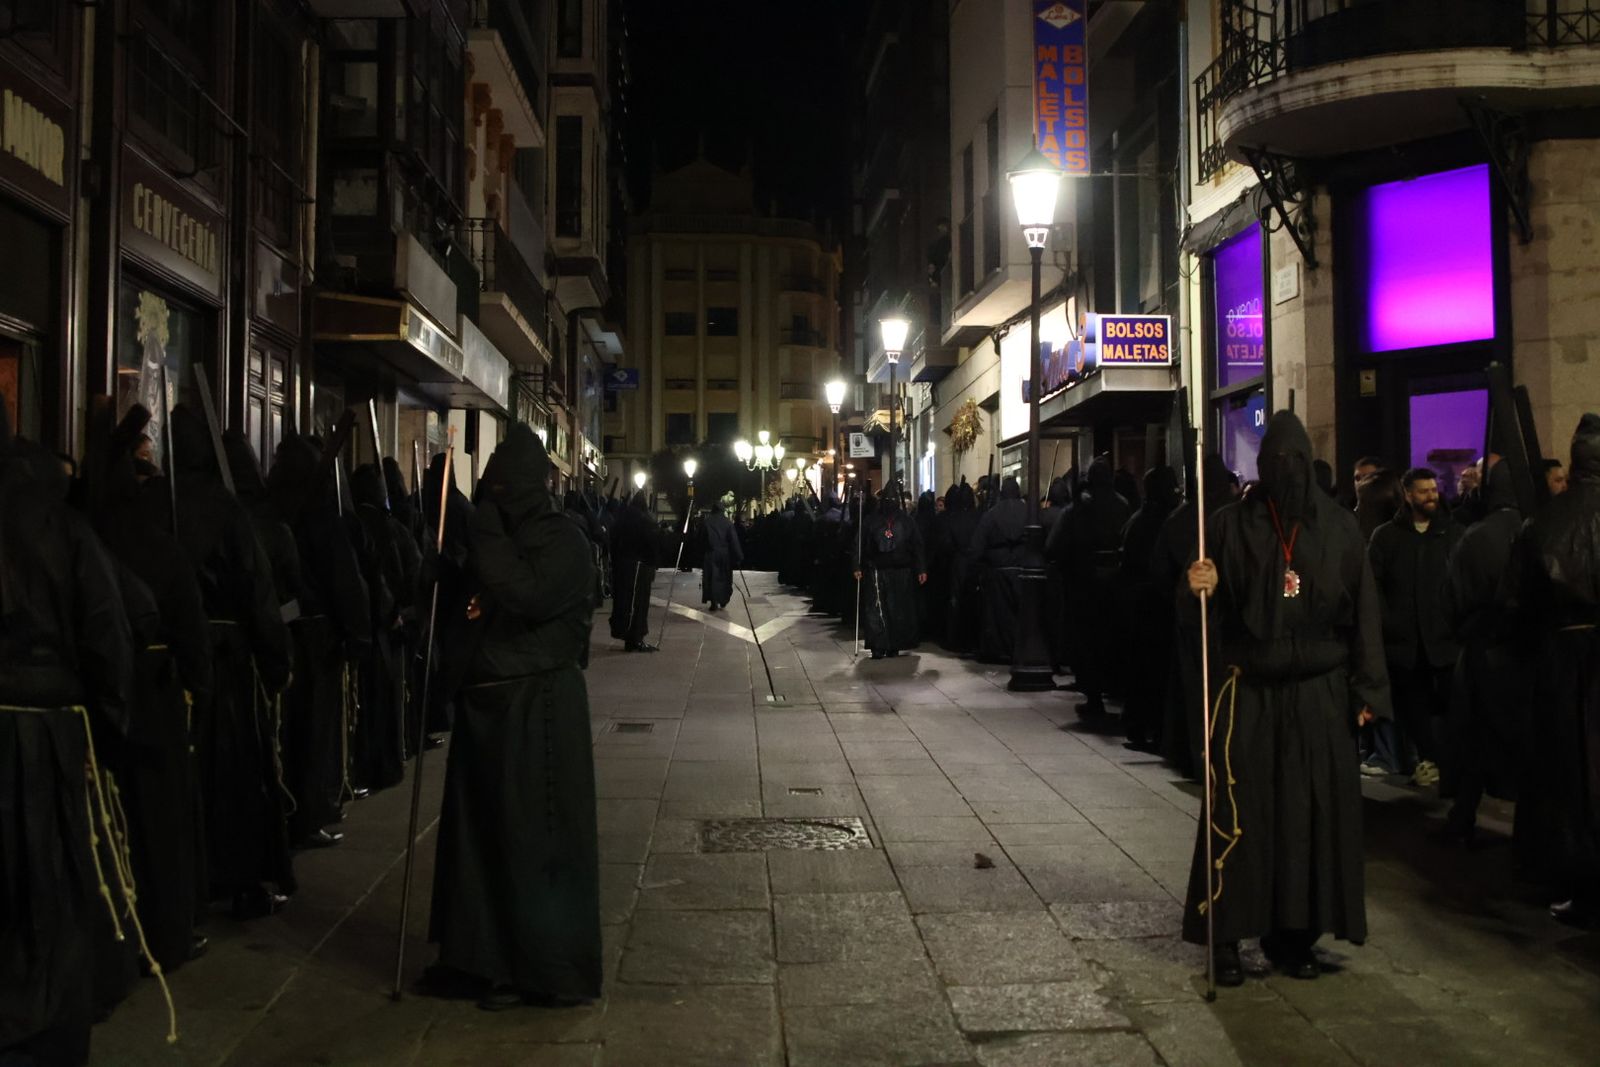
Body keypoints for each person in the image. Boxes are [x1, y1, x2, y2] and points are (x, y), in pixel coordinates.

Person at [1184, 412, 1391, 986]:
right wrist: (1198, 586)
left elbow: (1364, 613)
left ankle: (1294, 936)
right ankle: (1224, 934)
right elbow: (1204, 618)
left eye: (1296, 462)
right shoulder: (1228, 526)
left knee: (1308, 819)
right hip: (1250, 689)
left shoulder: (1342, 530)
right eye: (1277, 462)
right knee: (1240, 814)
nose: (1287, 472)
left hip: (1320, 693)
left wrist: (1368, 689)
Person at [428, 424, 601, 1010]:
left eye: (503, 483)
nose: (493, 493)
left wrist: (480, 528)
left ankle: (540, 969)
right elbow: (479, 597)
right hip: (487, 704)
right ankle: (475, 958)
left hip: (537, 711)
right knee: (476, 840)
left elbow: (524, 594)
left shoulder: (563, 541)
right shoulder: (497, 533)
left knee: (533, 839)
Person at [0, 408, 136, 1065]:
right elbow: (107, 632)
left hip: (41, 729)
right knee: (50, 899)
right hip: (46, 741)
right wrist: (108, 740)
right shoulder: (63, 525)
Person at [168, 406, 294, 919]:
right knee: (236, 779)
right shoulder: (225, 510)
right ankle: (238, 878)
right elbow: (257, 593)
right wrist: (274, 662)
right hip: (224, 666)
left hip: (170, 664)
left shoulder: (157, 502)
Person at [1508, 415, 1600, 923]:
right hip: (1570, 661)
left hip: (1563, 664)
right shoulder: (1542, 523)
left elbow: (1517, 603)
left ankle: (1575, 881)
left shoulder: (1543, 522)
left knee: (1568, 776)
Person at [1440, 456, 1526, 847]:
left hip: (1483, 651)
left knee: (1475, 739)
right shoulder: (1533, 526)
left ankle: (1463, 815)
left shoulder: (1476, 537)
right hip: (1522, 653)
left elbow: (1456, 600)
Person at [1365, 467, 1463, 785]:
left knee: (1450, 707)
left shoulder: (1452, 533)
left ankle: (1447, 764)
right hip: (1405, 643)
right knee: (1414, 709)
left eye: (1433, 489)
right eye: (1423, 491)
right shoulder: (1387, 537)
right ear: (1408, 495)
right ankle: (1433, 761)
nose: (1431, 495)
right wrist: (1388, 623)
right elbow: (1374, 585)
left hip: (1443, 638)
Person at [1056, 457, 1132, 718]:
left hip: (1086, 583)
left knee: (1087, 641)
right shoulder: (1123, 506)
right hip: (1115, 583)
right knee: (1111, 639)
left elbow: (1056, 545)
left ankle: (1094, 695)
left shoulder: (1079, 509)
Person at [1118, 466, 1180, 752]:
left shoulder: (1139, 521)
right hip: (1153, 604)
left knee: (1143, 669)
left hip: (1141, 604)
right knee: (1151, 670)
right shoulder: (1163, 522)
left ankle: (1142, 725)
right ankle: (1151, 725)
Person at [855, 482, 927, 659]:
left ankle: (894, 643)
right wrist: (856, 565)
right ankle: (878, 645)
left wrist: (921, 568)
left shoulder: (906, 521)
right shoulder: (871, 520)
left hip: (901, 571)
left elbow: (917, 545)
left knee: (898, 609)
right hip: (877, 571)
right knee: (877, 609)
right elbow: (860, 543)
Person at [972, 476, 1028, 663]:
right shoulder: (1028, 511)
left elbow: (978, 544)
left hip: (998, 569)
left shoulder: (992, 514)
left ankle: (1002, 649)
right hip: (1022, 567)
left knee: (1000, 614)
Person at [609, 491, 661, 651]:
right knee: (638, 603)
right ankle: (636, 637)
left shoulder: (621, 519)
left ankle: (626, 634)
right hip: (639, 567)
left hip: (622, 565)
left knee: (624, 600)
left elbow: (612, 540)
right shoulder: (644, 520)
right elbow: (652, 543)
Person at [700, 494, 743, 611]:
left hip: (710, 553)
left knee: (711, 576)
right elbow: (733, 540)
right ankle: (723, 598)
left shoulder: (707, 522)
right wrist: (738, 556)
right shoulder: (728, 523)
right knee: (724, 577)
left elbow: (701, 539)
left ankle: (713, 600)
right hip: (724, 554)